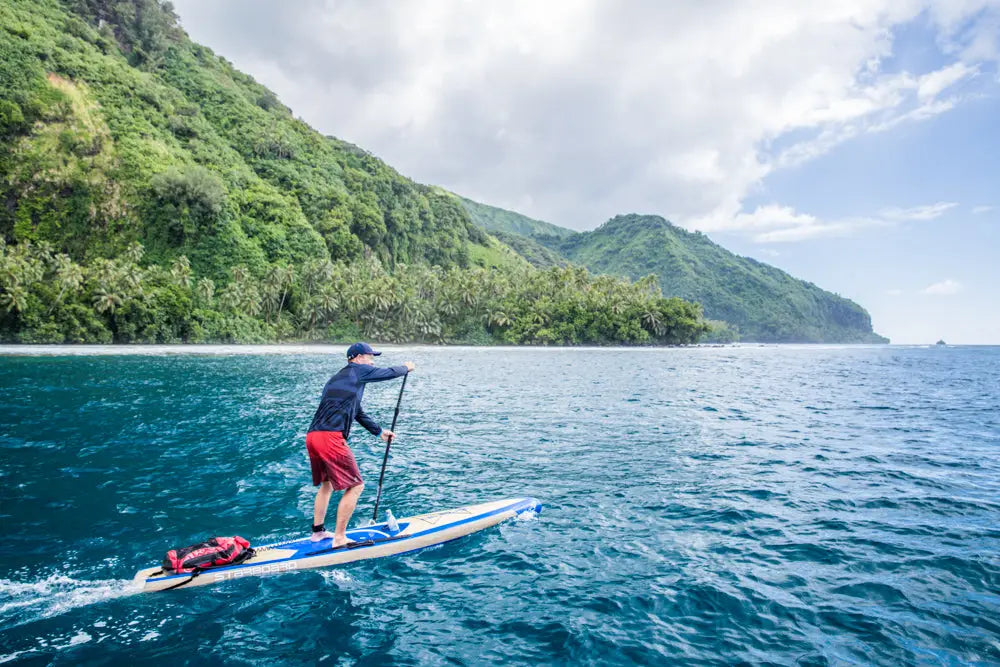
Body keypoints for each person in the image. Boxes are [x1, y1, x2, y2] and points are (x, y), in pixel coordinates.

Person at [306, 342, 414, 546]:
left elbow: (356, 411)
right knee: (356, 485)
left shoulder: (338, 379)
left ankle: (318, 532)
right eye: (369, 356)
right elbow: (387, 373)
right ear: (356, 357)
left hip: (313, 436)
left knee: (327, 485)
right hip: (330, 437)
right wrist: (405, 368)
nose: (372, 360)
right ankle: (339, 537)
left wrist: (379, 431)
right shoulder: (357, 370)